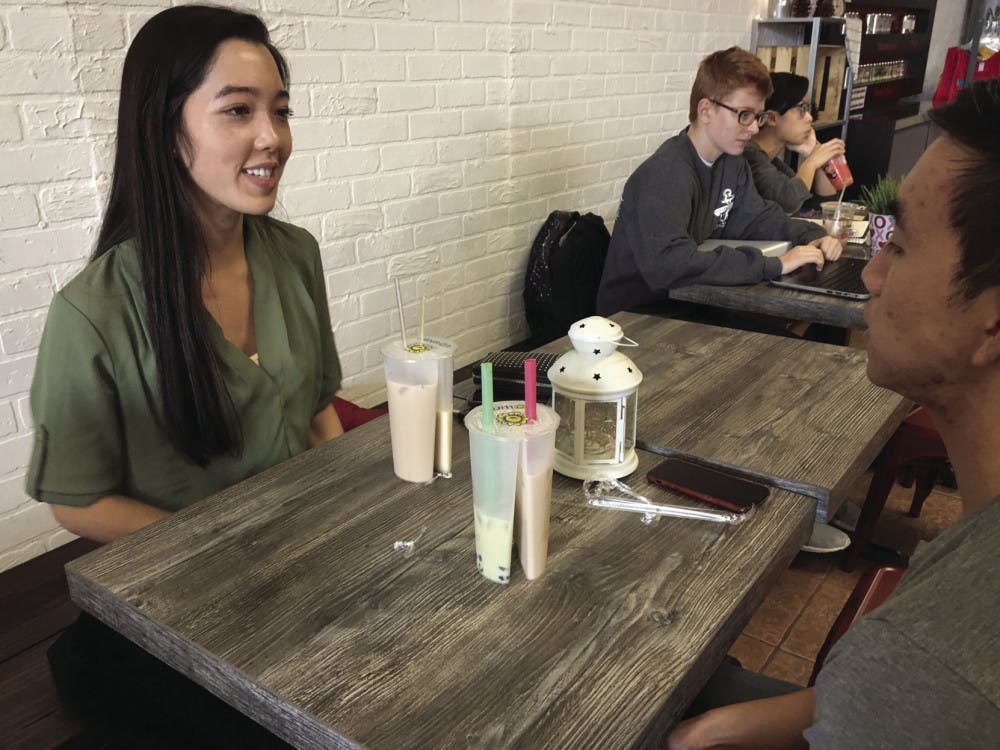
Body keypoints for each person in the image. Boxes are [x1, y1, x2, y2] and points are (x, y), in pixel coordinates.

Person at [27, 6, 343, 746]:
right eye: (238, 111)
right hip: (181, 603)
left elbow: (320, 407)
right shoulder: (95, 310)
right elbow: (76, 503)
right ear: (168, 133)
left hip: (301, 563)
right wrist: (223, 552)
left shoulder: (295, 255)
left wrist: (341, 515)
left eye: (280, 110)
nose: (273, 137)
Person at [666, 78, 1000, 750]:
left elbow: (918, 682)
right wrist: (712, 730)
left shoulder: (938, 662)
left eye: (899, 247)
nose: (872, 275)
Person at [596, 47, 842, 318]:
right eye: (744, 115)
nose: (754, 128)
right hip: (635, 318)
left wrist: (813, 235)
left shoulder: (731, 163)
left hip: (689, 303)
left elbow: (758, 219)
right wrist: (773, 265)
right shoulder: (666, 173)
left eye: (757, 116)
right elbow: (669, 264)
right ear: (706, 110)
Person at [744, 72, 846, 214]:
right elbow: (789, 201)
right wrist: (812, 161)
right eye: (801, 109)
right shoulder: (749, 154)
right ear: (772, 118)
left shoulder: (771, 161)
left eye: (808, 109)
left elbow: (824, 206)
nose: (810, 118)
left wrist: (817, 155)